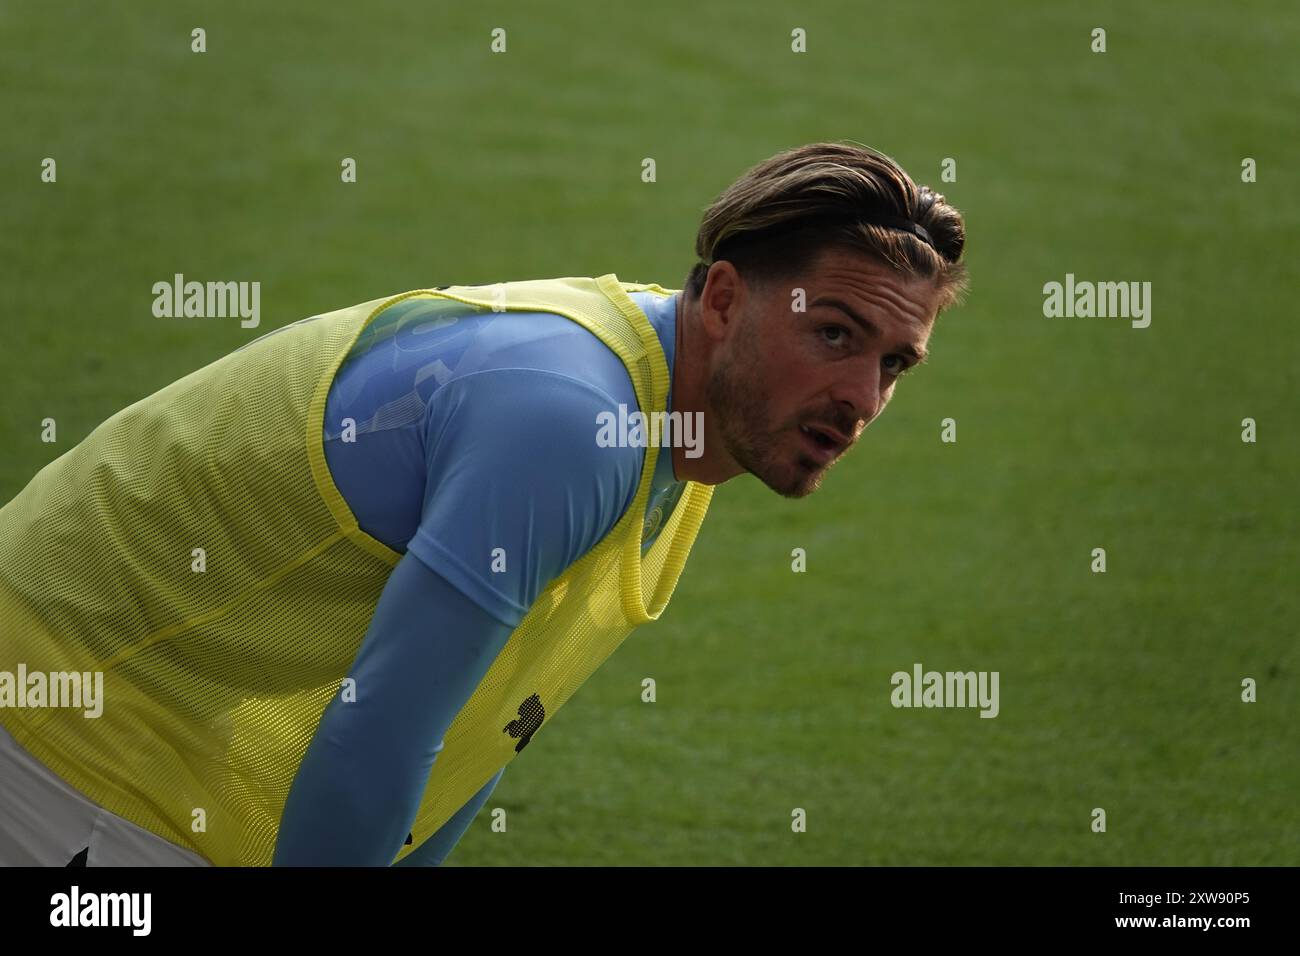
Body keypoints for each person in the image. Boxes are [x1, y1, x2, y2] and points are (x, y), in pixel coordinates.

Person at [0, 141, 968, 866]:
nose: (862, 399)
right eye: (834, 334)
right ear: (722, 299)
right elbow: (383, 725)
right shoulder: (566, 418)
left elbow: (481, 724)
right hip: (60, 750)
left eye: (894, 363)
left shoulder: (679, 424)